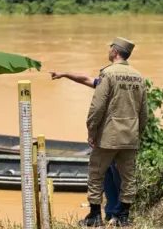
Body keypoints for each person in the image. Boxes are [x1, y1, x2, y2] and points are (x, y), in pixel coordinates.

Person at [79, 37, 148, 227]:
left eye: (110, 48)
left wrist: (91, 130)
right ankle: (124, 216)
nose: (109, 50)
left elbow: (97, 107)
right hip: (130, 136)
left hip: (108, 136)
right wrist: (137, 133)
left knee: (96, 174)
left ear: (115, 52)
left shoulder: (107, 74)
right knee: (128, 177)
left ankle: (94, 217)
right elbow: (144, 112)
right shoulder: (138, 76)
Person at [49, 72, 122, 221]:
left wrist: (91, 132)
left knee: (116, 173)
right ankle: (110, 214)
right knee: (107, 174)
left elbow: (96, 112)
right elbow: (85, 79)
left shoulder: (119, 90)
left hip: (116, 137)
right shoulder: (104, 86)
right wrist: (64, 74)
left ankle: (118, 214)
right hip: (106, 139)